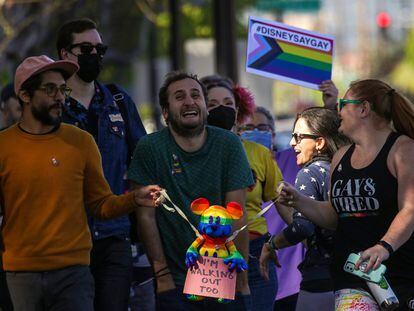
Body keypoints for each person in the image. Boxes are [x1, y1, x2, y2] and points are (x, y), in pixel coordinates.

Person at [0, 55, 159, 311]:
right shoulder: (3, 146)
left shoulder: (81, 141)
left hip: (73, 273)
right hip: (20, 274)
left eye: (63, 89)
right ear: (25, 95)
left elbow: (101, 204)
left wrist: (134, 198)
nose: (60, 97)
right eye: (50, 89)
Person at [277, 79, 414, 310]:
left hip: (399, 275)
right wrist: (299, 201)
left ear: (363, 109)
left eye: (343, 104)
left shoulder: (402, 149)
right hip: (351, 278)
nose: (337, 111)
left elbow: (410, 209)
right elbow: (334, 215)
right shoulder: (341, 156)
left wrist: (383, 247)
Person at [128, 71, 254, 310]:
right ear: (165, 112)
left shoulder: (229, 144)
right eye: (179, 96)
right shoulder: (150, 148)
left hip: (224, 278)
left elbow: (237, 214)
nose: (189, 101)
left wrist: (242, 280)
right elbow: (145, 216)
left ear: (205, 107)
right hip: (174, 281)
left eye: (196, 95)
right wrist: (162, 274)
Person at [56, 18, 147, 310]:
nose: (94, 55)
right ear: (64, 54)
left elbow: (143, 161)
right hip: (65, 237)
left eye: (99, 48)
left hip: (114, 234)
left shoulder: (118, 101)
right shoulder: (53, 107)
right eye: (85, 48)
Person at [201, 75, 283, 311]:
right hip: (210, 254)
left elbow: (283, 201)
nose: (222, 109)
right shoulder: (192, 153)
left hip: (257, 254)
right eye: (213, 104)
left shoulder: (258, 153)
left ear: (238, 110)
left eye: (228, 103)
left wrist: (304, 233)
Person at [260, 107, 350, 311]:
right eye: (292, 137)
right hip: (352, 277)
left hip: (319, 279)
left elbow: (303, 228)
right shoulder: (346, 170)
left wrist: (271, 244)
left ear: (319, 142)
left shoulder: (309, 173)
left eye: (299, 137)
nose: (292, 143)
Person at [242, 106, 304, 310]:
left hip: (290, 276)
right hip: (249, 260)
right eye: (249, 127)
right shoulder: (232, 163)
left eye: (262, 128)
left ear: (273, 134)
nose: (256, 133)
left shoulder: (291, 160)